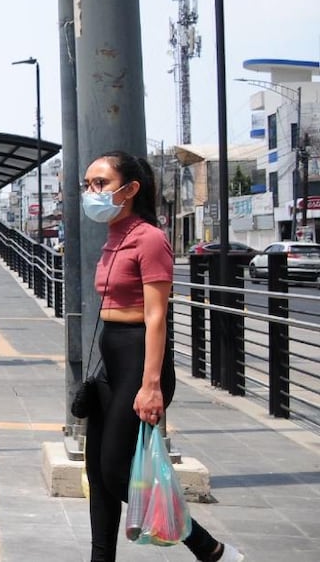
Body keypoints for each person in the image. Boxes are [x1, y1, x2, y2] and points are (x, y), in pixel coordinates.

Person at [82, 150, 244, 562]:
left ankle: (209, 548)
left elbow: (157, 317)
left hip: (139, 360)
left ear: (130, 189)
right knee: (98, 474)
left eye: (100, 183)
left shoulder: (150, 238)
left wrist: (151, 385)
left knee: (118, 473)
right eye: (87, 185)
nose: (91, 192)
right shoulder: (114, 236)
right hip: (110, 361)